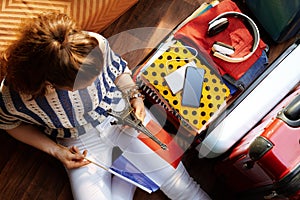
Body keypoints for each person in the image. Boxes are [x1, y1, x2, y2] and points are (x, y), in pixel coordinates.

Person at [0, 12, 211, 200]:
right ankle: (130, 169)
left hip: (124, 117)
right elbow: (10, 124)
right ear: (49, 84)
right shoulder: (14, 97)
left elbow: (119, 71)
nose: (94, 82)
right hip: (80, 143)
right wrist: (56, 151)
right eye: (84, 83)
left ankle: (129, 167)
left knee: (182, 187)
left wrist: (135, 98)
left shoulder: (93, 43)